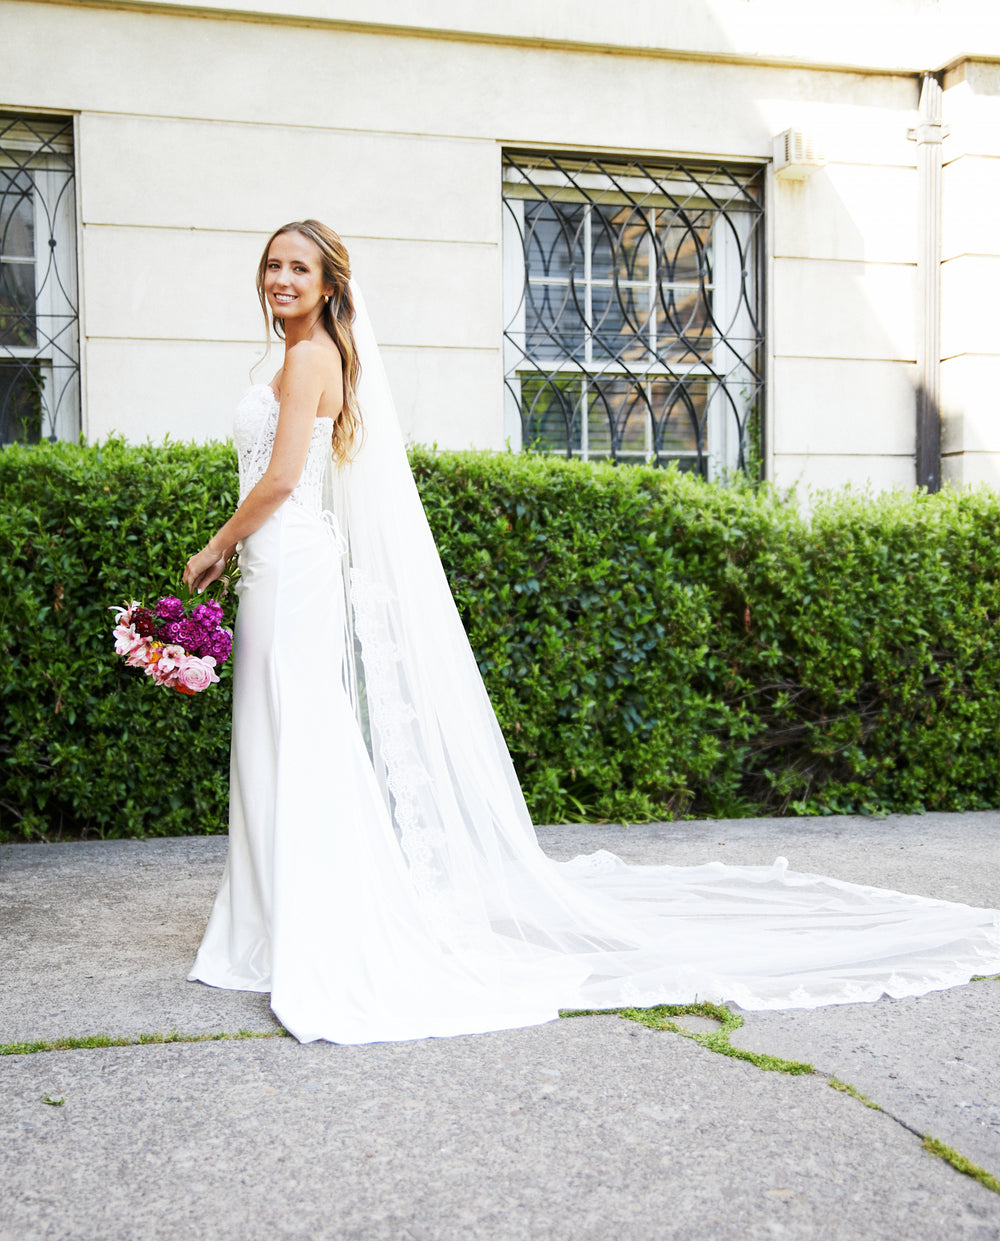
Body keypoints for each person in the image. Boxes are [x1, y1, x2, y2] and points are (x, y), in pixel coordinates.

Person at [183, 219, 1000, 1045]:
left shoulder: (308, 356)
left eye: (300, 267)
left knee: (298, 737)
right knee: (284, 735)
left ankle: (303, 925)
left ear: (328, 284)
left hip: (290, 567)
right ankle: (276, 917)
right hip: (286, 567)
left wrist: (218, 544)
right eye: (274, 265)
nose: (283, 278)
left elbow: (285, 478)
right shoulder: (314, 353)